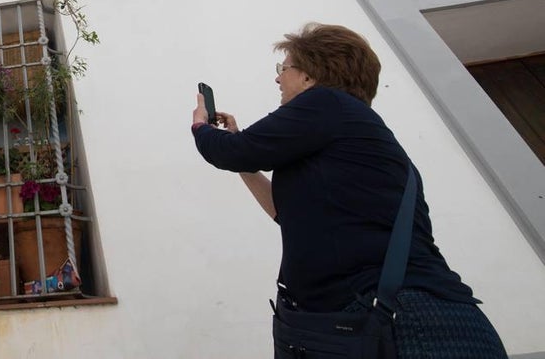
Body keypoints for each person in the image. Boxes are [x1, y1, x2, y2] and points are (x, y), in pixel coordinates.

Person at [191, 23, 507, 358]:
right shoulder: (348, 130)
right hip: (398, 318)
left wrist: (200, 126)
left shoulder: (326, 103)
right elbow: (287, 213)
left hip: (406, 323)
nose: (278, 78)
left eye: (284, 68)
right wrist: (242, 156)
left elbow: (230, 151)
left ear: (310, 75)